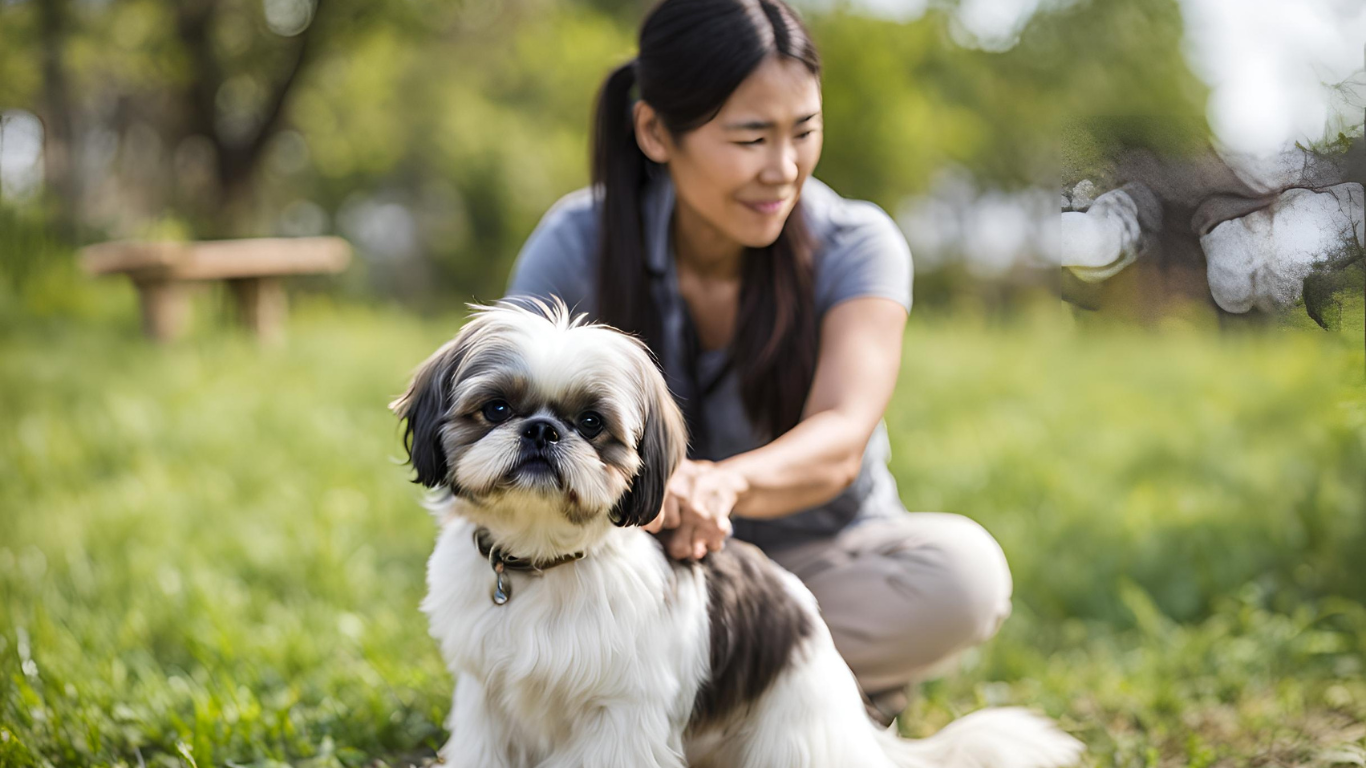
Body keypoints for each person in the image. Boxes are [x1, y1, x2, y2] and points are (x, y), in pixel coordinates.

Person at [504, 0, 1012, 726]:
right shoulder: (580, 239)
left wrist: (721, 484)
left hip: (820, 564)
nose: (783, 169)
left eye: (803, 132)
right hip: (636, 573)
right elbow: (501, 408)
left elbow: (841, 433)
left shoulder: (856, 244)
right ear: (654, 131)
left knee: (964, 575)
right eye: (751, 138)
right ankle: (723, 707)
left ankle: (735, 699)